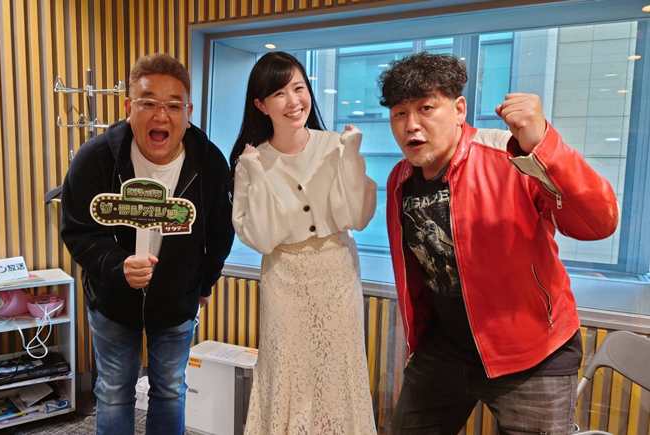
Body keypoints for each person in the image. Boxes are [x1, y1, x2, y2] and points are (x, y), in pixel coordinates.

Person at [380, 52, 619, 434]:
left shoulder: (511, 155)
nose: (412, 125)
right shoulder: (400, 178)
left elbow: (599, 223)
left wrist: (544, 145)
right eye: (399, 114)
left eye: (426, 108)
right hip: (444, 349)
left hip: (533, 353)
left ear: (459, 109)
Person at [61, 53, 234, 435]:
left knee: (170, 391)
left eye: (173, 105)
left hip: (176, 302)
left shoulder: (210, 164)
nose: (161, 115)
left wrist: (204, 285)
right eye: (148, 103)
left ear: (188, 112)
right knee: (113, 393)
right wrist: (115, 265)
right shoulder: (95, 159)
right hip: (111, 301)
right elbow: (77, 231)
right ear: (129, 107)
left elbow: (221, 232)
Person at [230, 52, 378, 435]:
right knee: (286, 370)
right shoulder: (251, 161)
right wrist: (256, 174)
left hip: (337, 272)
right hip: (284, 277)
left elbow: (356, 218)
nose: (294, 101)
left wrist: (350, 156)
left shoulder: (337, 145)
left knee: (339, 370)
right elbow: (262, 238)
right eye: (279, 93)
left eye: (299, 88)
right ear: (261, 105)